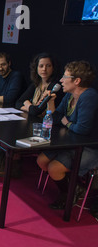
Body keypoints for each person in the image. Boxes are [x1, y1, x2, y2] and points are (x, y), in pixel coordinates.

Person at [37, 60, 98, 210]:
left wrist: (67, 123)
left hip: (89, 148)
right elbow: (57, 117)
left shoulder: (89, 96)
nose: (61, 80)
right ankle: (73, 189)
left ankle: (69, 193)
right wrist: (50, 102)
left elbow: (82, 129)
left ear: (77, 81)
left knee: (54, 168)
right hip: (71, 142)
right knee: (42, 160)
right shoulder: (69, 95)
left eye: (65, 77)